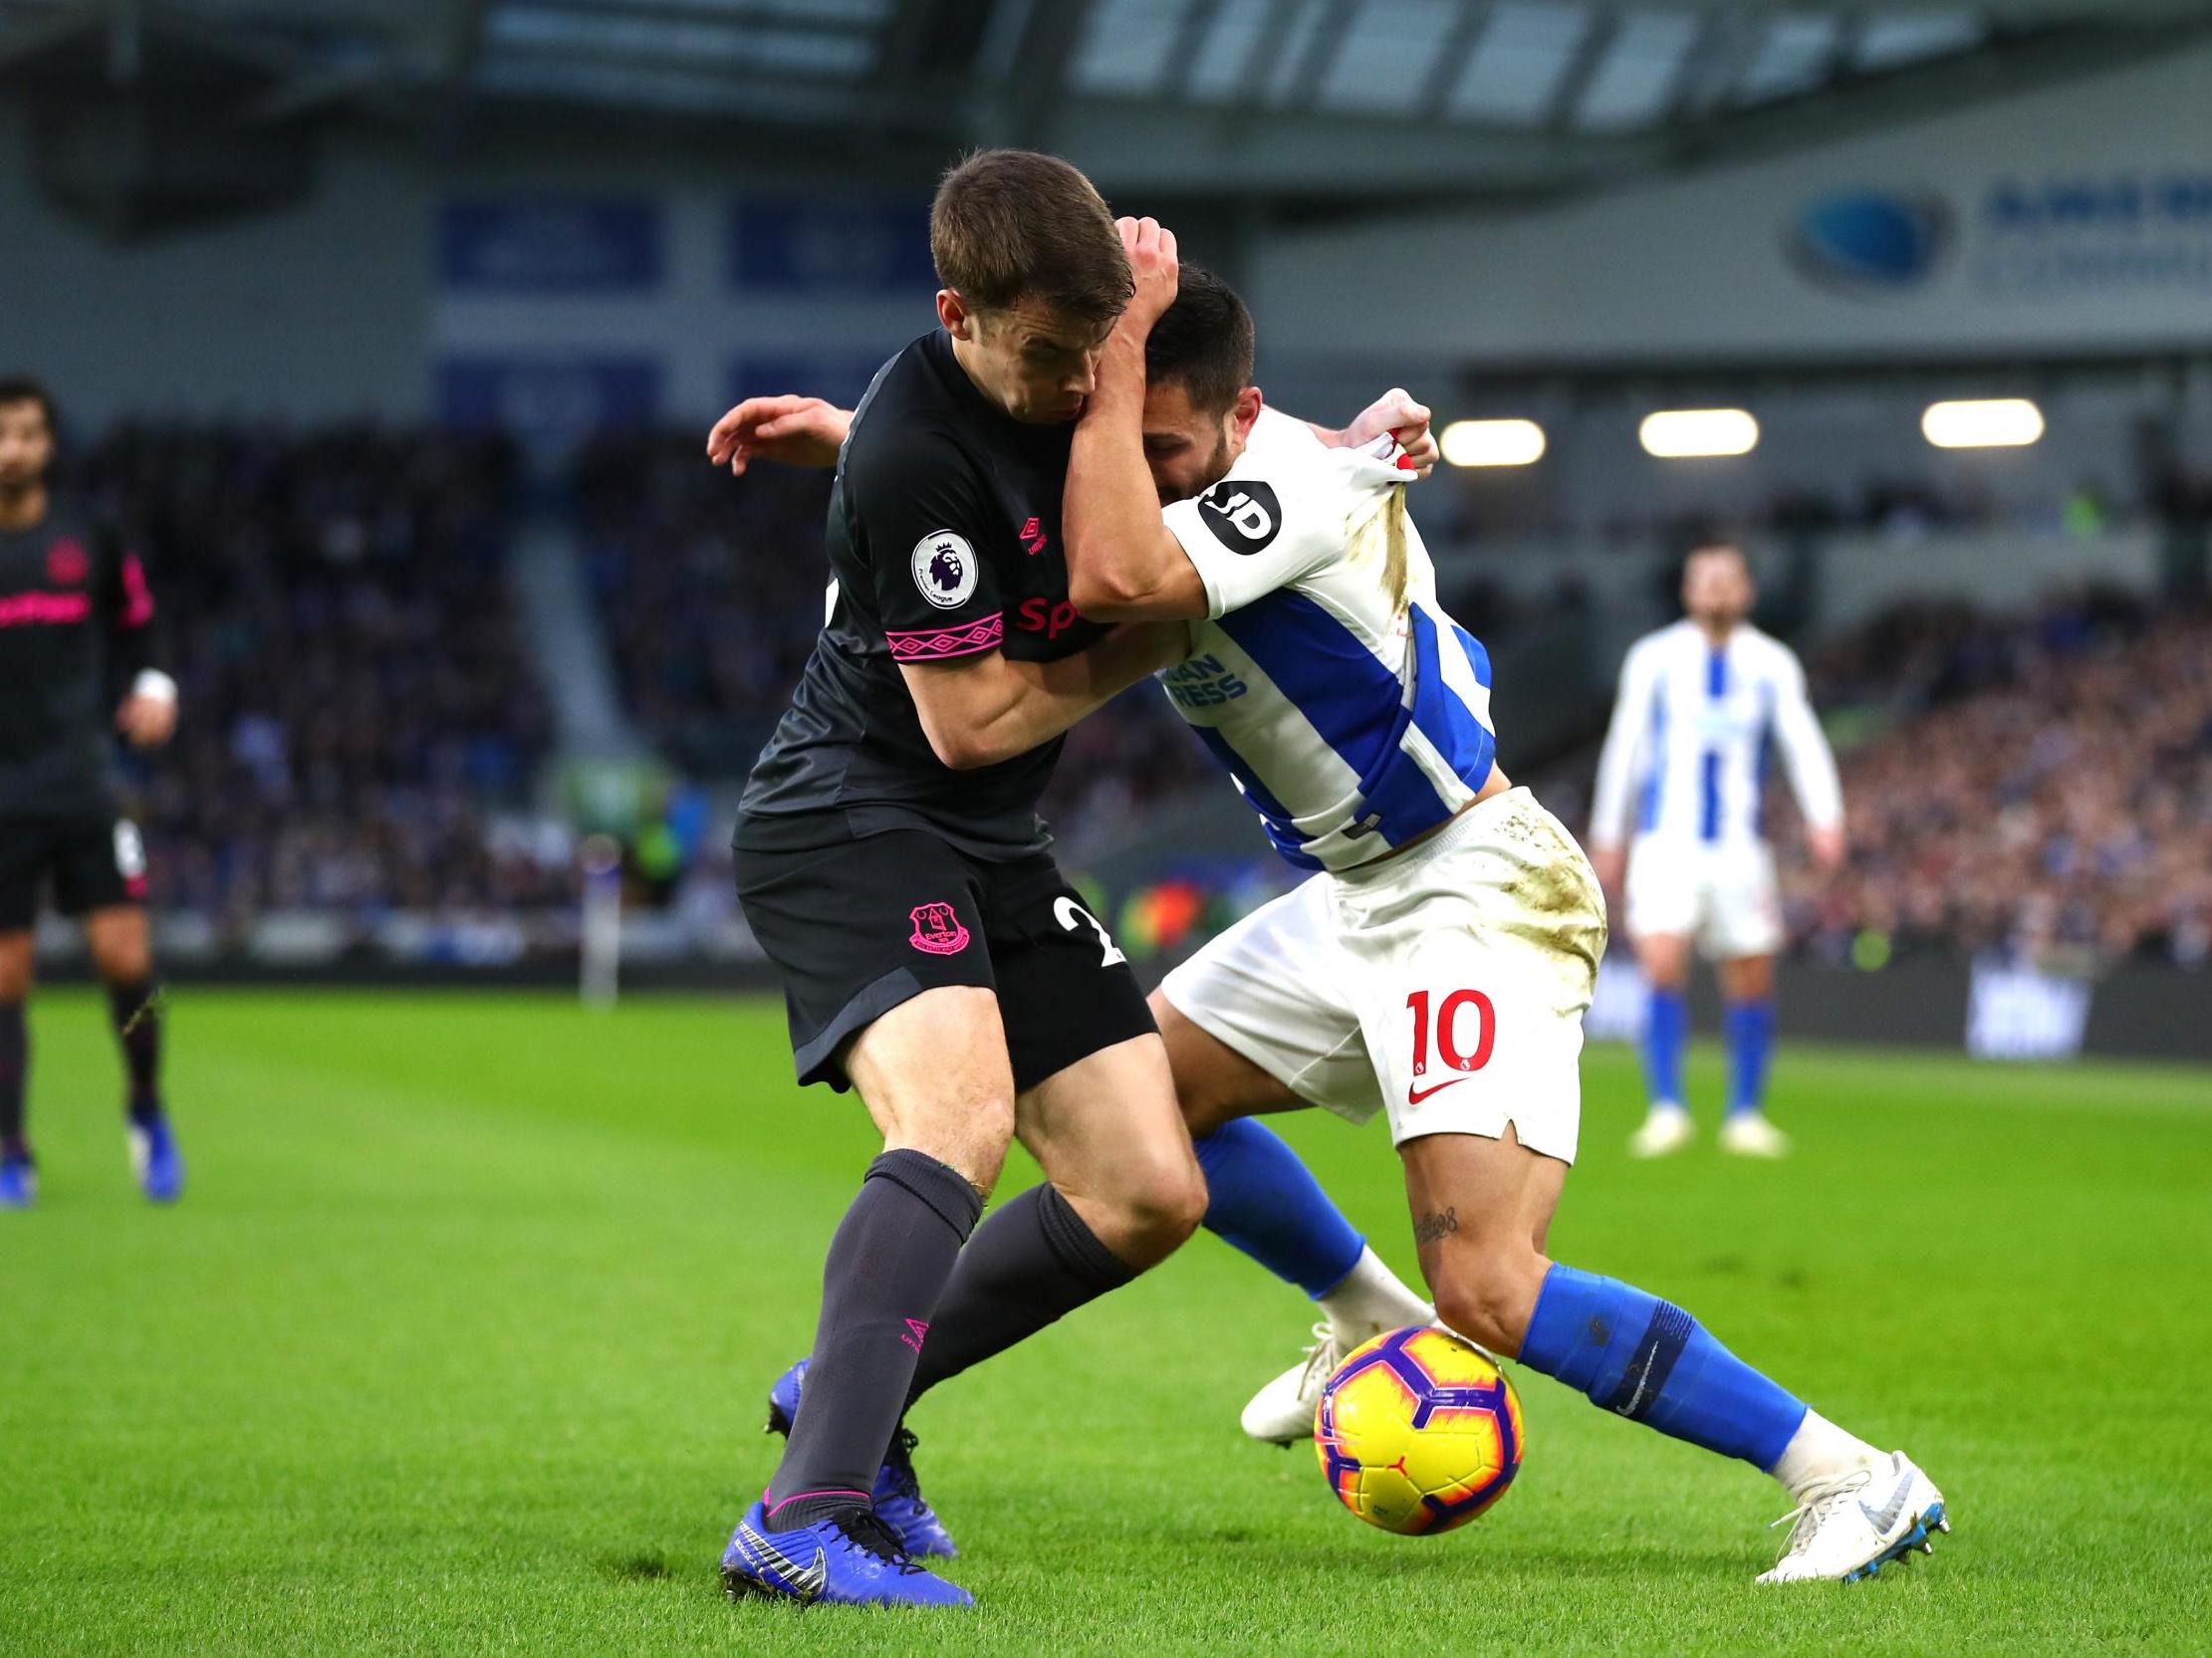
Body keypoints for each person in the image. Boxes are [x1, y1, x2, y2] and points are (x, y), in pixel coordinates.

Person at [728, 231, 1949, 1586]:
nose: (1137, 476)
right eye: (1122, 444)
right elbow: (1042, 486)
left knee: (1485, 1285)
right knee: (1135, 1108)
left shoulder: (1303, 480)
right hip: (1353, 890)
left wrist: (1104, 378)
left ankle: (1847, 1474)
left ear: (1240, 418)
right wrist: (864, 441)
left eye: (1166, 447)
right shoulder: (1180, 451)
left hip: (1475, 884)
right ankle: (1334, 1318)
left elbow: (1107, 576)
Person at [709, 152, 1430, 1610]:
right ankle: (805, 1512)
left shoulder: (1076, 367)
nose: (1070, 388)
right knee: (960, 1118)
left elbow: (1121, 443)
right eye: (1043, 357)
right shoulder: (915, 442)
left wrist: (1323, 438)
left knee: (1147, 1183)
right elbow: (970, 719)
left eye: (1089, 354)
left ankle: (843, 1407)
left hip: (988, 839)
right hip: (855, 807)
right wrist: (1148, 635)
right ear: (954, 311)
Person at [1587, 545, 1845, 1159]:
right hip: (1665, 841)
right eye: (1706, 581)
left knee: (1751, 976)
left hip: (1738, 846)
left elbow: (1802, 740)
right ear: (1688, 591)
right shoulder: (1654, 658)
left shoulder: (1771, 662)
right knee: (1661, 963)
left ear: (1747, 591)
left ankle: (1744, 1114)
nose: (1717, 592)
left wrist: (1826, 818)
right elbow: (1625, 743)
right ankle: (1667, 1108)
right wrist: (1608, 833)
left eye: (1728, 581)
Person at [0, 376, 182, 1210]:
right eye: (1, 434)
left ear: (49, 444)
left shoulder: (90, 535)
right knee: (4, 980)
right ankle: (10, 1148)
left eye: (28, 434)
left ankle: (146, 1104)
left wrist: (152, 682)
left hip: (82, 786)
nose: (12, 450)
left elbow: (139, 620)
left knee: (128, 962)